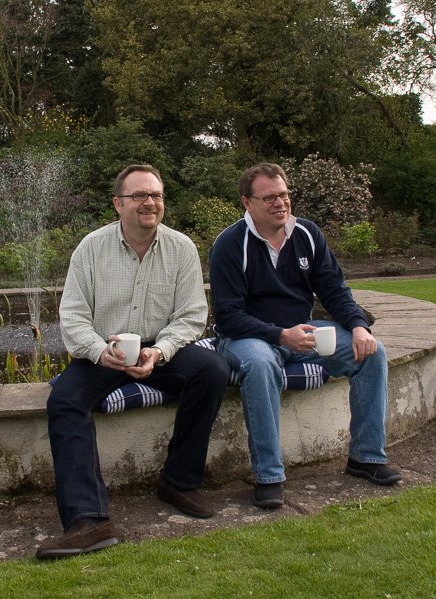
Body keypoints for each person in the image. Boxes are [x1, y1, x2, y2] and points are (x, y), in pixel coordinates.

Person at [36, 164, 230, 559]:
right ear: (118, 204)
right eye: (139, 196)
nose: (150, 203)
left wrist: (160, 352)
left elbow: (192, 315)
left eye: (156, 195)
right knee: (65, 401)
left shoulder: (182, 248)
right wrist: (97, 351)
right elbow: (71, 316)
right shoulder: (91, 248)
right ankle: (89, 519)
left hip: (158, 349)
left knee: (212, 371)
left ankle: (179, 481)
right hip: (102, 353)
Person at [209, 162, 401, 509]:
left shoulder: (307, 234)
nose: (279, 203)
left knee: (372, 353)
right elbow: (228, 317)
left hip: (302, 331)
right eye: (269, 198)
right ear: (247, 203)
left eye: (283, 195)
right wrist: (281, 336)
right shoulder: (230, 244)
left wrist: (359, 326)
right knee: (262, 364)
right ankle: (268, 475)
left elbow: (334, 290)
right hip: (246, 337)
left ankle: (366, 457)